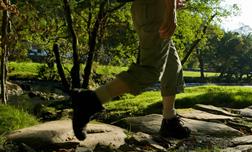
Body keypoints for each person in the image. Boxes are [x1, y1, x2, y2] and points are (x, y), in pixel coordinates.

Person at [71, 0, 191, 141]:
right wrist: (170, 10)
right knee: (150, 71)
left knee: (172, 67)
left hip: (153, 8)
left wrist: (171, 5)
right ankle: (91, 100)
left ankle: (169, 120)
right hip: (154, 9)